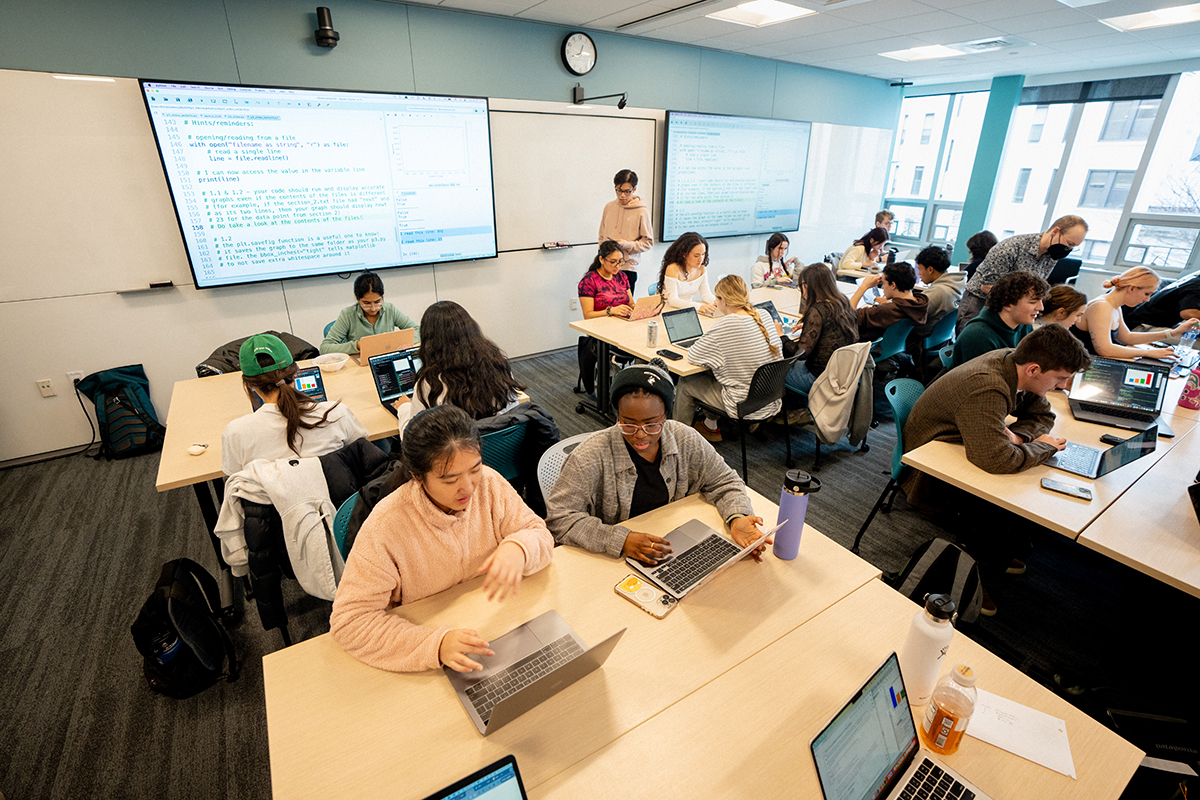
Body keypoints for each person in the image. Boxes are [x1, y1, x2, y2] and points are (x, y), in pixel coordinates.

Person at [329, 405, 554, 673]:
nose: (469, 487)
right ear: (417, 477)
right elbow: (350, 621)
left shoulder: (489, 484)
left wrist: (519, 547)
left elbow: (538, 532)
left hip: (495, 625)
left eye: (475, 469)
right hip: (429, 644)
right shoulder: (386, 526)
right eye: (450, 480)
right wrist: (434, 645)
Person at [901, 325, 1090, 614]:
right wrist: (1046, 446)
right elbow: (996, 460)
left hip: (961, 442)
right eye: (1061, 378)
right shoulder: (988, 385)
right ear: (1034, 369)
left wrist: (1021, 437)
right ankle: (965, 576)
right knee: (1003, 495)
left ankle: (992, 550)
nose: (1063, 386)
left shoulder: (1013, 363)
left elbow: (1042, 414)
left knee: (1022, 482)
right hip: (928, 468)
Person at [545, 362, 769, 564]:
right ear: (618, 417)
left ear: (665, 417)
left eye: (652, 424)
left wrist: (737, 516)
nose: (640, 435)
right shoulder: (589, 456)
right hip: (612, 559)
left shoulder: (684, 438)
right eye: (628, 424)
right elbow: (560, 518)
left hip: (672, 543)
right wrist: (621, 540)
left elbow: (724, 480)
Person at [221, 334, 368, 476]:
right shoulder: (335, 413)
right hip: (340, 499)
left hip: (276, 502)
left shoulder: (236, 433)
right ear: (296, 373)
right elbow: (363, 451)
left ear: (250, 385)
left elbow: (237, 479)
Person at [673, 275, 783, 442]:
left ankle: (679, 441)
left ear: (723, 300)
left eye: (717, 299)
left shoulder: (726, 325)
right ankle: (709, 426)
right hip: (769, 398)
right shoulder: (764, 315)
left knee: (687, 382)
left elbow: (694, 355)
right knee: (715, 372)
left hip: (742, 403)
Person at [400, 301, 524, 425]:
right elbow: (513, 412)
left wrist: (403, 408)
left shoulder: (429, 384)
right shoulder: (498, 366)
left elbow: (413, 435)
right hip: (503, 442)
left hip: (459, 443)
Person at [956, 216, 1087, 334]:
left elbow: (1037, 287)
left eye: (1073, 247)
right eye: (1069, 244)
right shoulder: (1010, 248)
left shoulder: (1051, 256)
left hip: (1011, 310)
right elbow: (987, 287)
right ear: (1055, 231)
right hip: (979, 303)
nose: (1068, 250)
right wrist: (1021, 303)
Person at [1070, 267, 1198, 358]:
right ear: (1132, 288)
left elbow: (1127, 337)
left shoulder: (1115, 307)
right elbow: (1105, 349)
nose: (1147, 300)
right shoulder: (1102, 307)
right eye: (1146, 294)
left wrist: (1173, 333)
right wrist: (1148, 353)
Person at [785, 263, 859, 396]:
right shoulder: (842, 302)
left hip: (819, 378)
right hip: (842, 373)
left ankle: (789, 409)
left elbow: (801, 353)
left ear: (808, 286)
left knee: (773, 371)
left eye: (801, 286)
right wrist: (810, 326)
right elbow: (832, 327)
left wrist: (781, 337)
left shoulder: (817, 310)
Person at [951, 272, 1048, 368]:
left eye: (1041, 301)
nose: (1041, 308)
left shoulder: (1023, 324)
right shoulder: (978, 336)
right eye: (1033, 302)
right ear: (1007, 304)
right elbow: (979, 381)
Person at [320, 271, 420, 355]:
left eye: (377, 302)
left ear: (382, 296)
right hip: (361, 365)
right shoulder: (348, 314)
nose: (373, 308)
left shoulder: (390, 309)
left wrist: (398, 342)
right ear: (357, 298)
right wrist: (358, 345)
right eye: (366, 303)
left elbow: (419, 331)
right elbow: (325, 348)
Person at [598, 169, 654, 294]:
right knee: (603, 306)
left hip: (627, 267)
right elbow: (602, 235)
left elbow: (648, 242)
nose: (622, 195)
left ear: (634, 189)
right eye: (618, 190)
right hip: (605, 267)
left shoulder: (641, 211)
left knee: (624, 308)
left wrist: (626, 244)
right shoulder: (609, 207)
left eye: (627, 191)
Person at [849, 261, 929, 343]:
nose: (883, 287)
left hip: (871, 349)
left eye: (883, 283)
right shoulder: (920, 303)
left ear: (893, 285)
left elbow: (848, 315)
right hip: (899, 349)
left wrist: (863, 286)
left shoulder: (887, 310)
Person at [657, 232, 716, 314]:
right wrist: (698, 306)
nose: (701, 259)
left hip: (688, 310)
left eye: (703, 254)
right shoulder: (673, 268)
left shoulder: (701, 269)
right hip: (668, 310)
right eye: (696, 256)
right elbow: (673, 300)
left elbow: (705, 294)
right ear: (684, 254)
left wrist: (716, 302)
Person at [1123, 269, 1200, 330]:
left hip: (1152, 322)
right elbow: (1188, 313)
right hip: (1143, 325)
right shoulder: (1196, 285)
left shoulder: (1191, 279)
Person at [913, 245, 964, 337]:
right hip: (940, 340)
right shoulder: (958, 284)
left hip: (919, 339)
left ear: (930, 269)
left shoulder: (938, 292)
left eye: (919, 269)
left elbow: (909, 312)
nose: (918, 273)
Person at [578, 241, 634, 319]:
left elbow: (631, 304)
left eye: (620, 261)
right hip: (600, 325)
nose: (617, 266)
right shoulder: (589, 281)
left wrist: (638, 308)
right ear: (601, 259)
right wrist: (611, 311)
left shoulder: (621, 276)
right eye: (613, 262)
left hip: (622, 322)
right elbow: (588, 315)